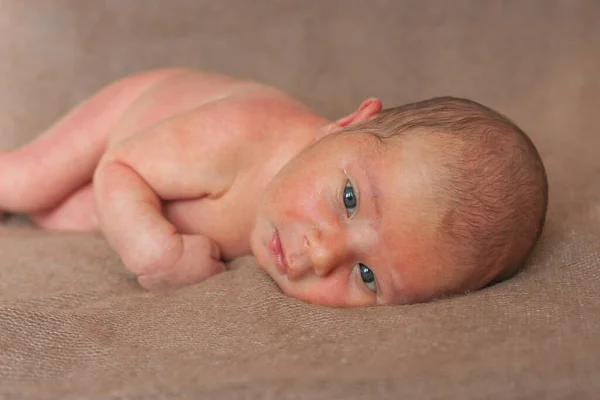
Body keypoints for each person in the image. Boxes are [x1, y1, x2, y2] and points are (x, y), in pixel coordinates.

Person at [0, 68, 548, 307]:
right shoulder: (244, 137)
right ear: (348, 124)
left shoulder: (309, 218)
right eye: (350, 199)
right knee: (27, 184)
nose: (322, 253)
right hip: (127, 125)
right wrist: (156, 252)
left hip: (148, 190)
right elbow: (119, 168)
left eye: (367, 276)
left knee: (62, 216)